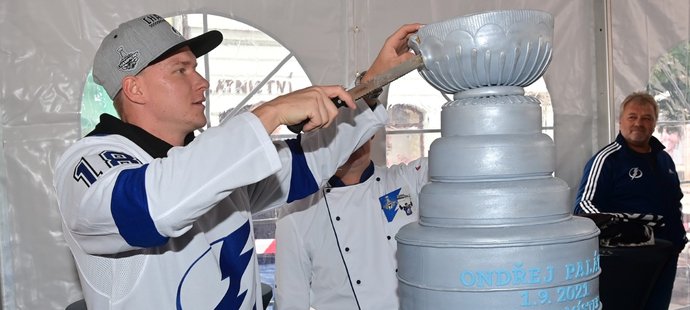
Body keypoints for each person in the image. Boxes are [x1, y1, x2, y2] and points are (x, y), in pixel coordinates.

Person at [52, 13, 422, 309]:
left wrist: (373, 81)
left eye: (196, 68)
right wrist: (269, 113)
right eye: (181, 70)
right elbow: (149, 208)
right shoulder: (90, 162)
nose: (202, 82)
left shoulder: (212, 164)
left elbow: (310, 163)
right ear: (134, 88)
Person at [274, 134, 428, 309]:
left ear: (371, 132)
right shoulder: (295, 213)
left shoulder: (407, 179)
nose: (352, 141)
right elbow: (291, 300)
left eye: (357, 128)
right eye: (337, 132)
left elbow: (455, 161)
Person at [573, 91, 688, 310]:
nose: (639, 123)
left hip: (665, 252)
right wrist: (626, 227)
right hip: (626, 258)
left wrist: (678, 239)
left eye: (646, 118)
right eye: (632, 117)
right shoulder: (607, 159)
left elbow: (674, 202)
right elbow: (584, 206)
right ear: (621, 121)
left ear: (654, 124)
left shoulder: (664, 160)